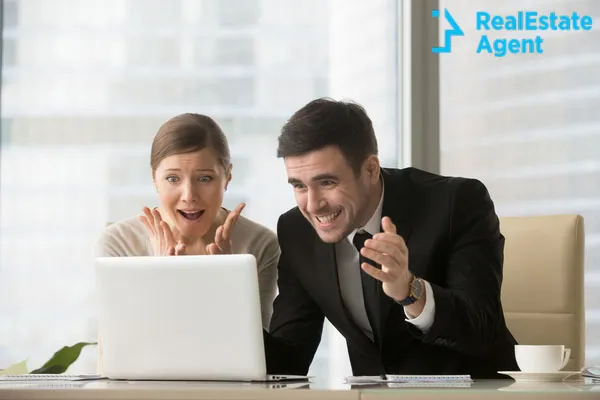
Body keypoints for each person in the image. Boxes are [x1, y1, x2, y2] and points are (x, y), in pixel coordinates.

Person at [264, 98, 519, 378]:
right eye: (299, 186)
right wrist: (226, 302)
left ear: (371, 169)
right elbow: (288, 360)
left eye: (327, 182)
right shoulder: (296, 230)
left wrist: (410, 290)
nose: (312, 205)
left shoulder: (456, 203)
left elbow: (480, 330)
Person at [97, 113, 280, 330]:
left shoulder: (260, 245)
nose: (189, 195)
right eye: (173, 179)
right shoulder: (119, 244)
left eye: (204, 179)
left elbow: (259, 352)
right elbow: (122, 348)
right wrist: (161, 277)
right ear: (154, 178)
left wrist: (227, 280)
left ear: (227, 176)